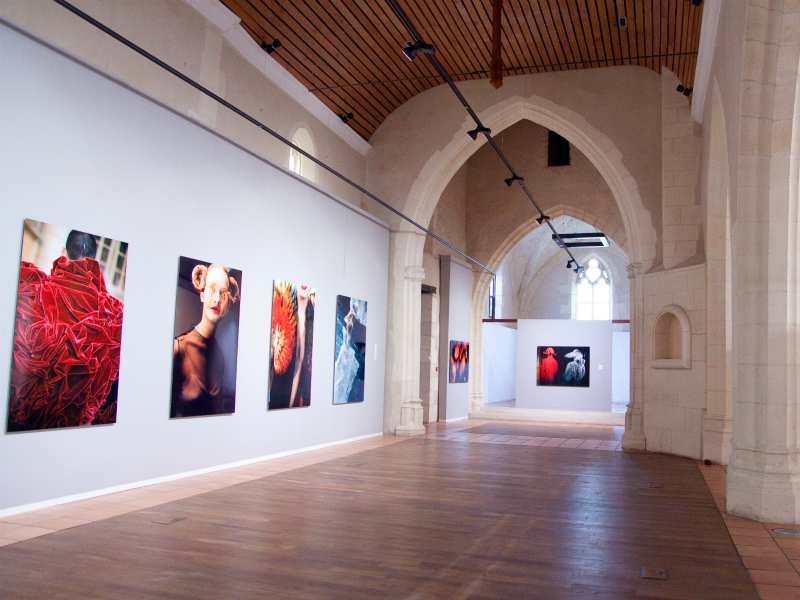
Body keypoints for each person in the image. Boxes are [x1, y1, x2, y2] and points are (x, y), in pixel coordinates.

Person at [7, 229, 123, 431]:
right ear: (94, 260)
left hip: (16, 427)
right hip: (72, 434)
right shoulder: (115, 315)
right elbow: (113, 399)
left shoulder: (30, 289)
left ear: (63, 253)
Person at [170, 264, 239, 418]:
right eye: (211, 289)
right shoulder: (179, 348)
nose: (217, 299)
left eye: (223, 293)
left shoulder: (219, 356)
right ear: (202, 295)